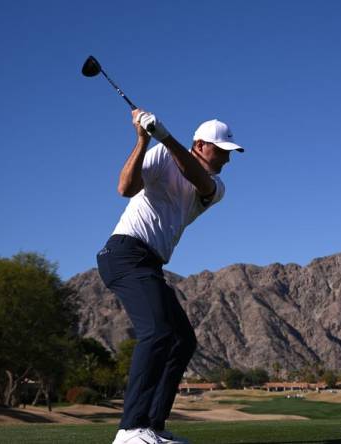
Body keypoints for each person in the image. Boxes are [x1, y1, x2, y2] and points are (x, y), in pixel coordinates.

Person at [97, 109, 244, 444]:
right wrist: (142, 139)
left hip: (149, 263)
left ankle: (152, 426)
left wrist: (163, 136)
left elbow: (198, 177)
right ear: (200, 145)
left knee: (182, 339)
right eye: (220, 150)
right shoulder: (161, 152)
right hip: (123, 253)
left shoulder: (215, 187)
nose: (226, 159)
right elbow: (125, 187)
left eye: (228, 152)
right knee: (158, 331)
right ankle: (130, 429)